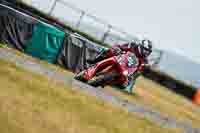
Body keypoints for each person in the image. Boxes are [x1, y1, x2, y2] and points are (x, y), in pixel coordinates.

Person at [87, 39, 153, 94]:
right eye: (145, 50)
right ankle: (94, 60)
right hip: (119, 58)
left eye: (148, 51)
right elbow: (120, 47)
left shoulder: (144, 61)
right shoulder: (132, 45)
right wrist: (118, 49)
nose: (146, 52)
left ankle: (106, 82)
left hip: (126, 69)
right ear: (140, 47)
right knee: (110, 51)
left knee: (123, 84)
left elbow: (138, 71)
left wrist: (131, 77)